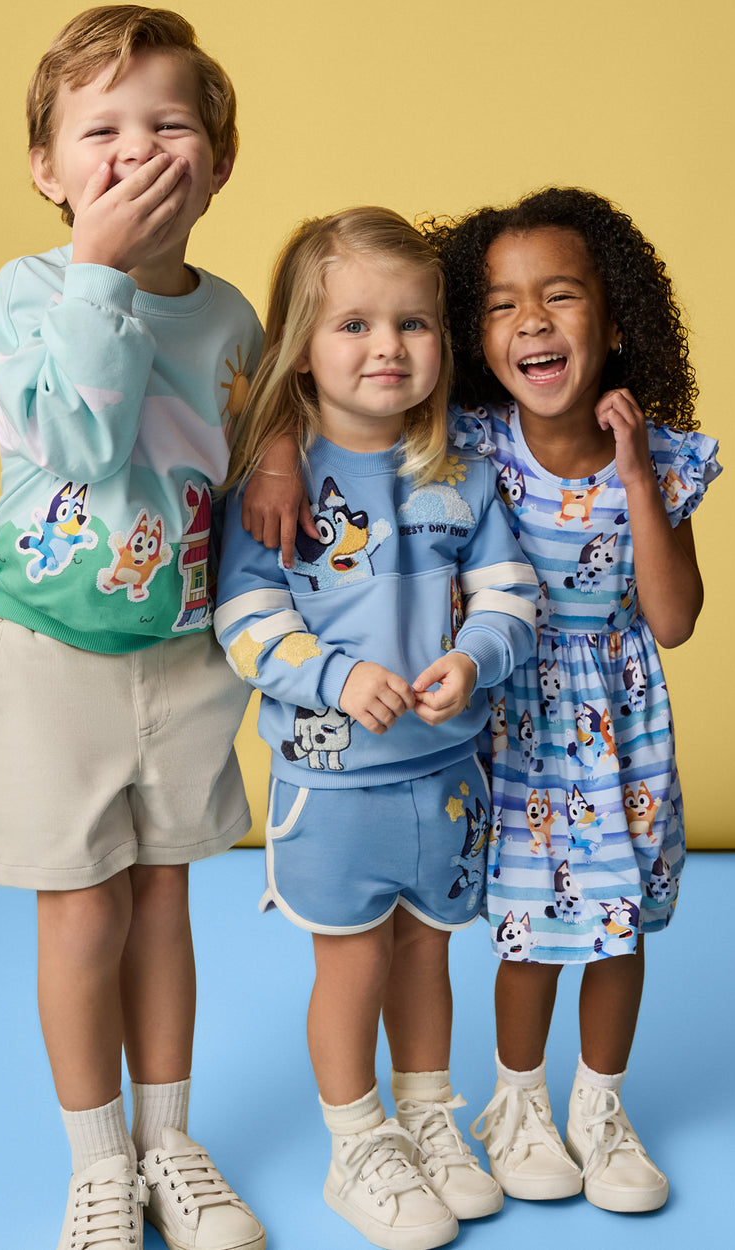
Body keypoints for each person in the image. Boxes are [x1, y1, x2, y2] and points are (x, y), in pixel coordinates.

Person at [0, 8, 266, 1250]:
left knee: (163, 901)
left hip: (185, 654)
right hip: (49, 659)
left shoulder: (233, 317)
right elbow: (84, 444)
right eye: (99, 129)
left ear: (216, 161)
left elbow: (250, 481)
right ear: (49, 168)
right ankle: (99, 1159)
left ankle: (169, 1136)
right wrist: (99, 268)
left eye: (169, 124)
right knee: (82, 910)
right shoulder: (31, 294)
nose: (135, 150)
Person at [216, 207, 540, 1250]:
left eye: (411, 323)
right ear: (302, 352)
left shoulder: (464, 472)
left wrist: (475, 656)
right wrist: (336, 675)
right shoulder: (276, 482)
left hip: (445, 775)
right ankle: (356, 1142)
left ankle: (427, 1119)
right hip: (335, 782)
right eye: (353, 324)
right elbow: (244, 619)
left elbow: (508, 592)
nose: (387, 347)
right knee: (352, 962)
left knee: (426, 955)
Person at [428, 187, 721, 1213]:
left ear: (616, 318)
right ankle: (516, 1102)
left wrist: (639, 479)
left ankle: (599, 1105)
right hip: (514, 716)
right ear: (476, 334)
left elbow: (674, 616)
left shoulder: (663, 458)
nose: (532, 322)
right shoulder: (468, 444)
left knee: (618, 919)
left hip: (619, 719)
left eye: (558, 296)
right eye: (502, 305)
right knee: (528, 925)